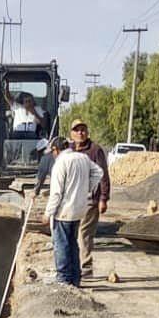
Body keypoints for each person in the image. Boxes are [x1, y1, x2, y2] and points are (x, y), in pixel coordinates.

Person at [42, 136, 105, 287]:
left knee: (62, 244)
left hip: (64, 211)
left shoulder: (60, 164)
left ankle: (63, 278)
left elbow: (56, 193)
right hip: (78, 209)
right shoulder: (82, 158)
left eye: (53, 152)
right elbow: (98, 172)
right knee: (73, 243)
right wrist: (87, 188)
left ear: (56, 150)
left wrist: (48, 213)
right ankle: (75, 278)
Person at [68, 120, 110, 279]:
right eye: (76, 130)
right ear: (71, 133)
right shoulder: (69, 150)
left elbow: (103, 175)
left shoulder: (95, 150)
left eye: (83, 130)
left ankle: (85, 268)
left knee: (84, 234)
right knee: (72, 233)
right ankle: (74, 266)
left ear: (87, 132)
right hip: (72, 199)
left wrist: (103, 198)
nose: (80, 133)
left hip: (89, 199)